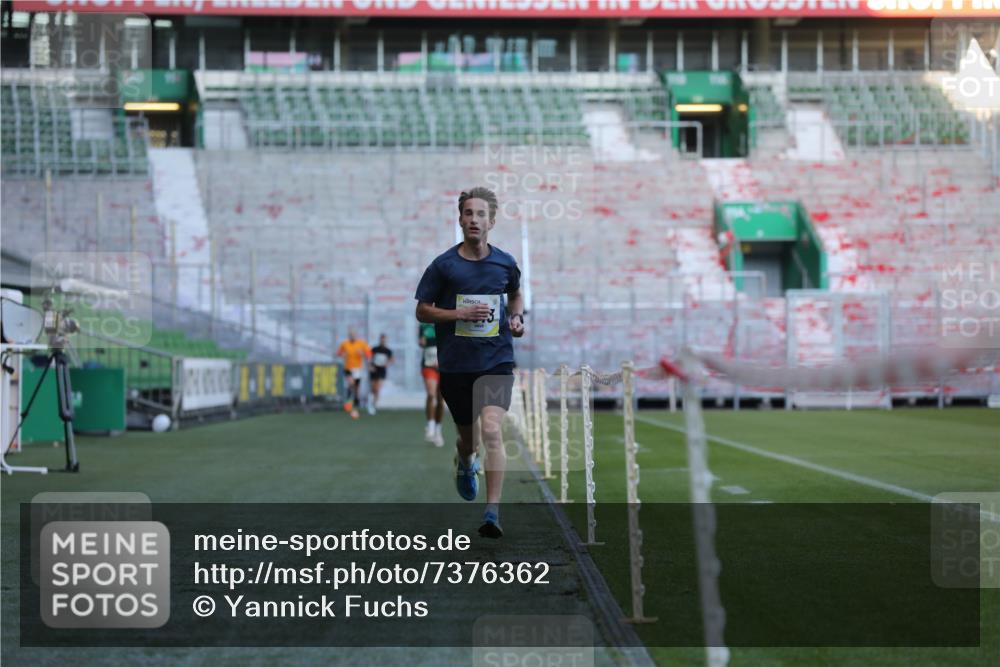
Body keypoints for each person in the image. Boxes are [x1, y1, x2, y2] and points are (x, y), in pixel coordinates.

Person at [415, 187, 525, 539]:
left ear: (491, 221)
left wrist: (517, 318)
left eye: (480, 214)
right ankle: (465, 462)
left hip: (496, 361)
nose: (473, 219)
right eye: (467, 213)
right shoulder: (444, 265)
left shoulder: (505, 262)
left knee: (492, 429)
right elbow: (422, 310)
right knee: (470, 440)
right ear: (460, 219)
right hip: (456, 366)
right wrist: (459, 313)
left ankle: (492, 512)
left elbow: (515, 295)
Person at [419, 322, 445, 447]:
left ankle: (438, 429)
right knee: (431, 394)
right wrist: (422, 341)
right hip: (428, 365)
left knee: (441, 400)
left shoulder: (447, 322)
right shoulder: (424, 325)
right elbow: (421, 342)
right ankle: (430, 425)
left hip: (444, 366)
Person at [336, 329, 371, 420]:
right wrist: (342, 354)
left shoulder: (361, 343)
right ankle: (348, 404)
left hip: (358, 369)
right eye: (351, 335)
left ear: (356, 335)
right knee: (351, 383)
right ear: (349, 335)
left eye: (354, 334)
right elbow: (338, 353)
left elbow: (369, 354)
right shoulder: (345, 344)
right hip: (348, 368)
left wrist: (362, 353)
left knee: (356, 387)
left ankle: (355, 404)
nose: (352, 336)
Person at [368, 334, 393, 415]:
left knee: (377, 388)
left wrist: (387, 363)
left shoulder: (388, 351)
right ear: (379, 340)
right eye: (381, 339)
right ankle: (370, 401)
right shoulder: (374, 349)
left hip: (382, 371)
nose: (383, 341)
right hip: (374, 370)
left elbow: (392, 359)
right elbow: (369, 358)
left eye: (384, 339)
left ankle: (373, 405)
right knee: (373, 388)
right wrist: (370, 366)